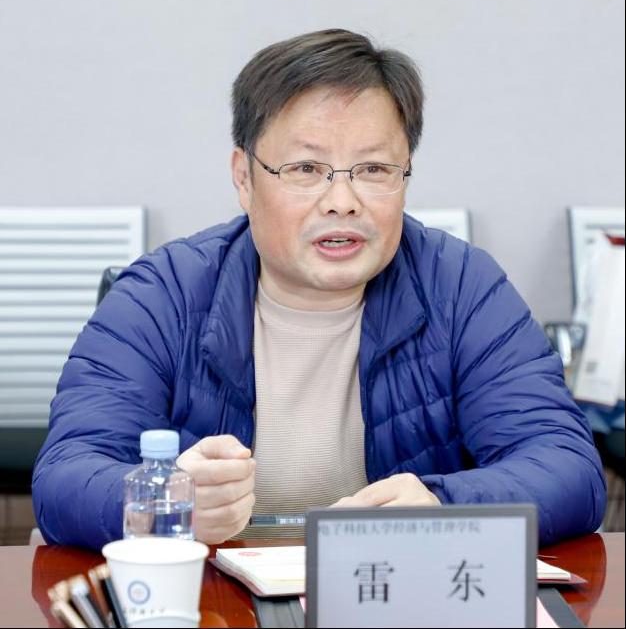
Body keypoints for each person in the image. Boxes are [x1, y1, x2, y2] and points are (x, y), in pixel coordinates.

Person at [32, 29, 606, 550]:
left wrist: (442, 507)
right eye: (306, 169)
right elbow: (65, 476)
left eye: (374, 170)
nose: (342, 201)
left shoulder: (462, 288)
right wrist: (167, 503)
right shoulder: (163, 295)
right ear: (244, 177)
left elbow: (568, 468)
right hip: (208, 601)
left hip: (393, 596)